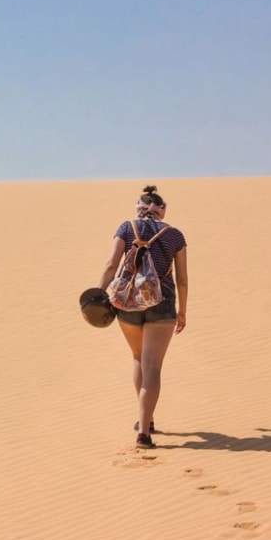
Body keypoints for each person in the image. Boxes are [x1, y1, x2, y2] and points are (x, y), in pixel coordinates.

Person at [98, 185, 188, 449]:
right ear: (162, 210)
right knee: (153, 366)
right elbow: (182, 279)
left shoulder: (126, 228)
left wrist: (98, 295)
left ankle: (145, 422)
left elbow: (111, 265)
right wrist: (182, 311)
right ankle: (143, 435)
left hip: (128, 304)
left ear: (138, 208)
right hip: (162, 304)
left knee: (138, 358)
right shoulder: (175, 236)